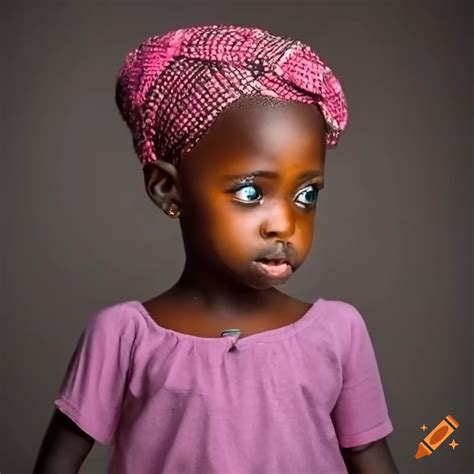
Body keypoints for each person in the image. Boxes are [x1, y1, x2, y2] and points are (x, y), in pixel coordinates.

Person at [33, 24, 398, 473]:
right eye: (249, 193)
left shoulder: (338, 333)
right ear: (168, 190)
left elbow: (370, 459)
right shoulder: (124, 337)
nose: (284, 225)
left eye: (306, 195)